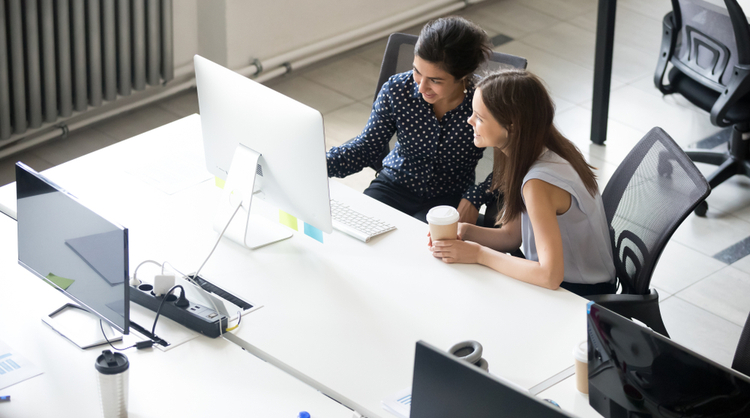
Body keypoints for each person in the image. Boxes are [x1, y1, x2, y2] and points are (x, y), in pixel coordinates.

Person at [430, 69, 616, 297]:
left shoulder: (538, 183)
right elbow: (512, 236)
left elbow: (549, 276)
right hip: (568, 278)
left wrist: (478, 254)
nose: (470, 121)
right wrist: (465, 231)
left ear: (512, 126)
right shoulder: (538, 150)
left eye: (479, 117)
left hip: (577, 293)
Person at [326, 16, 497, 224]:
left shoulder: (485, 101)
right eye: (417, 71)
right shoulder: (397, 89)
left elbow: (514, 165)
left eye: (435, 80)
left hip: (448, 199)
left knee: (422, 246)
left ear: (463, 76)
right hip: (393, 185)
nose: (421, 87)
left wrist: (475, 197)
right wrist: (316, 164)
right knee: (360, 228)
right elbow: (367, 148)